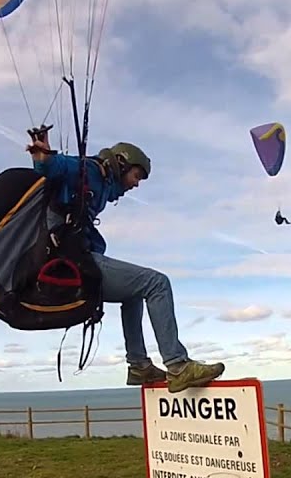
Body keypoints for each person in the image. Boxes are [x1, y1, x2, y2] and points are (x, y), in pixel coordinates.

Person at [27, 134, 225, 393]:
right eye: (136, 176)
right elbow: (58, 167)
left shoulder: (103, 184)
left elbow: (105, 190)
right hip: (74, 263)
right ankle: (178, 365)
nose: (137, 184)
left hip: (73, 262)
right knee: (157, 283)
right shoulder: (89, 169)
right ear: (120, 164)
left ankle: (139, 365)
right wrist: (43, 159)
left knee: (133, 294)